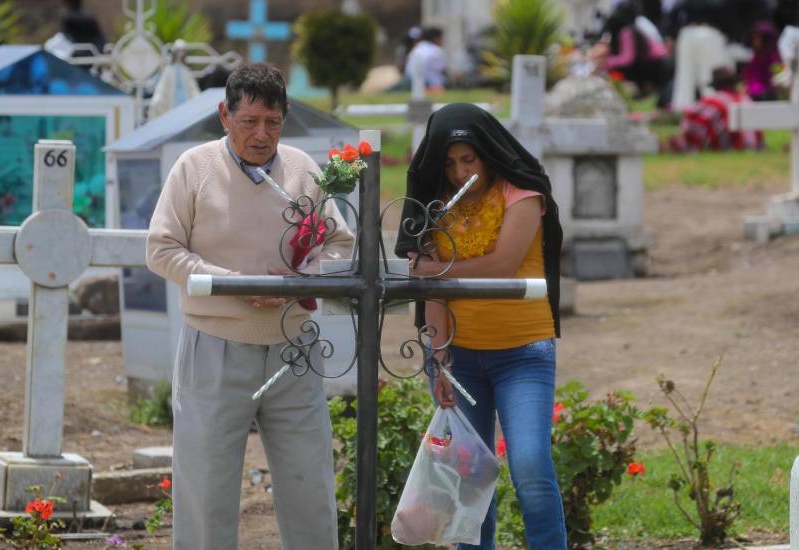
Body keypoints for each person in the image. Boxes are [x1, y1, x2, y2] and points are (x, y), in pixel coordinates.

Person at [146, 63, 354, 550]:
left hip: (295, 350)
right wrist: (234, 285)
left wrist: (300, 280)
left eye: (274, 122)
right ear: (224, 114)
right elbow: (161, 249)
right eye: (249, 122)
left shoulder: (304, 169)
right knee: (205, 491)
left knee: (311, 488)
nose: (263, 135)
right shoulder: (193, 168)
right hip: (215, 349)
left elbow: (341, 247)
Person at [395, 103, 566, 550]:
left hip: (523, 353)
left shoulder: (523, 194)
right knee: (469, 480)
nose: (459, 172)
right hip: (459, 358)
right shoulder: (436, 207)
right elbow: (433, 293)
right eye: (450, 163)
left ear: (489, 153)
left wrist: (433, 269)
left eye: (469, 160)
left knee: (529, 465)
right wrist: (438, 354)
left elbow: (504, 265)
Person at [667, 66, 763, 152]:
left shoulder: (712, 102)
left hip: (725, 147)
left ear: (715, 86)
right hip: (751, 146)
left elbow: (690, 123)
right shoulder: (746, 99)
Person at [744, 22, 782, 101]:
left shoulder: (773, 58)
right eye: (754, 37)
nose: (754, 40)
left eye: (758, 37)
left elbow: (777, 76)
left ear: (766, 39)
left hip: (766, 97)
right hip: (753, 96)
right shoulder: (755, 57)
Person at [404, 26, 448, 92]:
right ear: (436, 38)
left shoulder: (417, 47)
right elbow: (443, 71)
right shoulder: (436, 50)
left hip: (411, 81)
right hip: (430, 84)